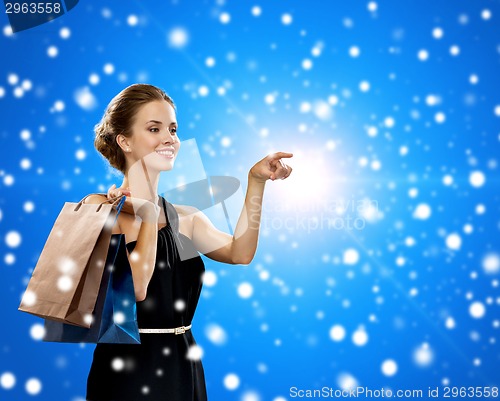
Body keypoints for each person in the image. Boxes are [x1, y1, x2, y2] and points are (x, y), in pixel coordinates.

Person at [84, 83, 293, 400]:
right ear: (124, 140)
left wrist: (256, 182)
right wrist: (149, 215)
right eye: (154, 128)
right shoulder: (98, 208)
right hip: (125, 370)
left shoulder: (185, 217)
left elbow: (240, 253)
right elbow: (136, 288)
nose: (169, 138)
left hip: (183, 366)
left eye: (173, 129)